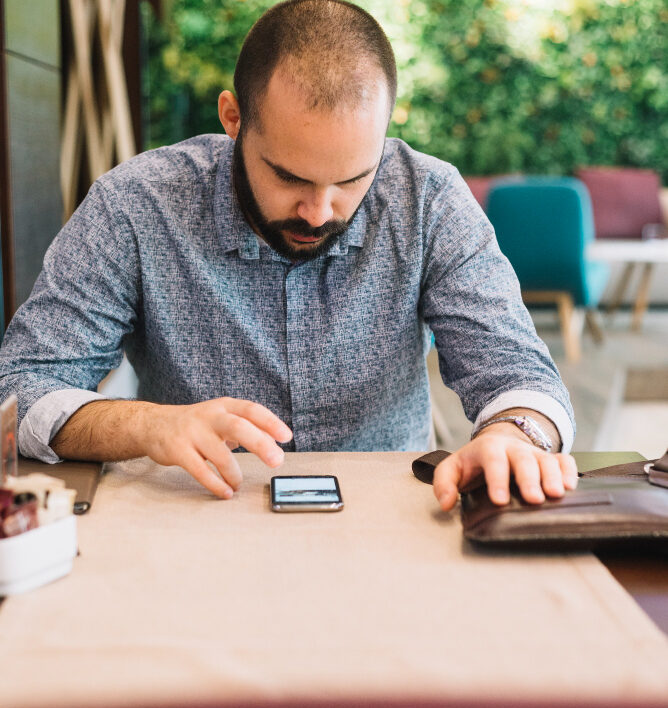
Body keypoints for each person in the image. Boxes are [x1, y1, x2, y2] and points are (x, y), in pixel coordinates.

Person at [0, 0, 578, 510]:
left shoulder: (428, 198)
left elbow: (521, 375)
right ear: (233, 118)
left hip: (390, 525)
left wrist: (515, 436)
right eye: (289, 176)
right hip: (196, 519)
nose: (319, 211)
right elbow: (20, 385)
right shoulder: (136, 204)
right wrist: (146, 423)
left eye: (352, 179)